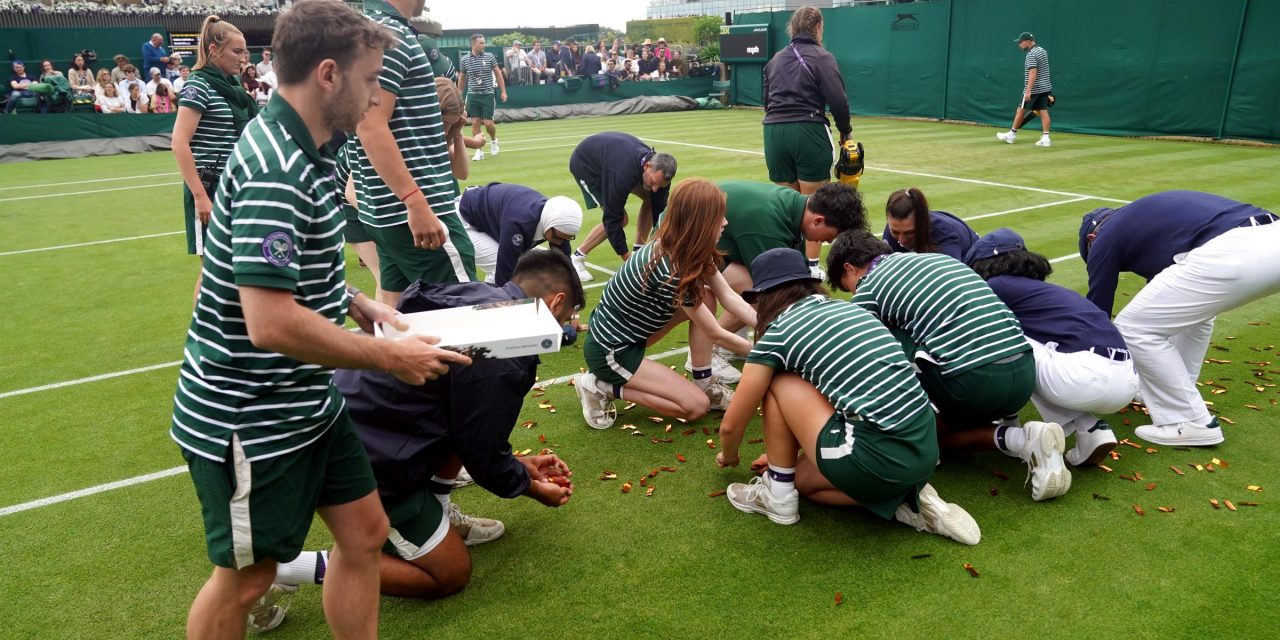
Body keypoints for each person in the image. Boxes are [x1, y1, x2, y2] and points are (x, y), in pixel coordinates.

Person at [173, 2, 470, 638]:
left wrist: (365, 308)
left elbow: (308, 268)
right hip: (251, 412)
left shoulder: (314, 146)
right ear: (330, 75)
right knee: (248, 578)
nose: (373, 101)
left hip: (307, 398)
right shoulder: (277, 166)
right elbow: (270, 324)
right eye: (369, 82)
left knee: (364, 534)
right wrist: (392, 356)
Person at [265, 250, 581, 614]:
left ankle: (439, 513)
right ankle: (286, 567)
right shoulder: (507, 351)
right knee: (451, 574)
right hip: (362, 459)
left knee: (456, 416)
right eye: (570, 315)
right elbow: (482, 452)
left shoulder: (480, 296)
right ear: (556, 303)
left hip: (353, 416)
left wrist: (518, 467)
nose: (568, 326)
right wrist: (528, 487)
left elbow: (467, 428)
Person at [714, 248, 981, 544]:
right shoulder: (849, 308)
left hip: (875, 456)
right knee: (801, 479)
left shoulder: (780, 332)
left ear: (763, 297)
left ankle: (778, 498)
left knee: (778, 382)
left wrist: (730, 455)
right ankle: (904, 501)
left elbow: (731, 424)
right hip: (925, 450)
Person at [827, 231, 1069, 501]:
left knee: (890, 348)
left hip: (975, 383)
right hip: (1024, 372)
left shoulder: (870, 287)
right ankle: (1010, 420)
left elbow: (860, 350)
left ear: (850, 268)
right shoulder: (937, 260)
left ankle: (1021, 440)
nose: (853, 292)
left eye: (848, 285)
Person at [1079, 191, 1280, 447]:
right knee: (1195, 317)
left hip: (1236, 248)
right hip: (1271, 236)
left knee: (1133, 328)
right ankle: (1177, 390)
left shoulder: (1105, 236)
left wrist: (1093, 369)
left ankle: (1190, 421)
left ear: (1091, 238)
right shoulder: (1148, 223)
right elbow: (1166, 299)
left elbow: (1098, 311)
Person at [574, 180, 755, 430]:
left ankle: (705, 383)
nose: (725, 222)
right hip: (612, 351)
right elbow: (714, 332)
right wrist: (760, 352)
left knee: (706, 294)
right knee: (695, 407)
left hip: (631, 335)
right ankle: (598, 385)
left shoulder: (688, 247)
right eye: (718, 217)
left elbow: (729, 297)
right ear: (700, 222)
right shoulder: (671, 269)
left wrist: (771, 324)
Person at [965, 228, 1138, 466]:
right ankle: (1091, 429)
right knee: (1040, 351)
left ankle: (1009, 424)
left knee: (1004, 340)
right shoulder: (1044, 290)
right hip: (1126, 379)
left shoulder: (997, 286)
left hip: (1085, 376)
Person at [354, 0, 478, 310]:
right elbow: (369, 125)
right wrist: (415, 201)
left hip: (385, 215)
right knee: (467, 323)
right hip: (417, 216)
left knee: (405, 324)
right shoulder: (386, 33)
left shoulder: (371, 28)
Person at [714, 181, 865, 346]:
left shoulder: (797, 208)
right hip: (696, 249)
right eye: (831, 236)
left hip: (727, 245)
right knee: (761, 294)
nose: (828, 241)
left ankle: (727, 342)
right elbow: (777, 291)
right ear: (818, 221)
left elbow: (801, 277)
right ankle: (709, 347)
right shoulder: (768, 224)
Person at [763, 7, 853, 277]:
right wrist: (845, 131)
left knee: (786, 204)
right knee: (815, 204)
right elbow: (838, 99)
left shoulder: (775, 59)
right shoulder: (822, 56)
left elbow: (766, 101)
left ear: (792, 27)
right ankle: (811, 269)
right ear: (818, 27)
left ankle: (788, 266)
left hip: (773, 131)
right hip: (808, 128)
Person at [172, 15, 255, 299]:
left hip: (235, 186)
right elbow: (179, 142)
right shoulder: (198, 86)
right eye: (237, 50)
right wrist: (199, 195)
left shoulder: (233, 89)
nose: (244, 57)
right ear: (213, 50)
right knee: (213, 270)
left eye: (244, 51)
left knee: (238, 265)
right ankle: (203, 337)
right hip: (209, 187)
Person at [567, 132, 676, 282]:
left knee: (651, 198)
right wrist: (628, 261)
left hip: (613, 158)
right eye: (653, 182)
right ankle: (576, 258)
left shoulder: (660, 175)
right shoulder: (622, 174)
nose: (655, 188)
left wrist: (663, 244)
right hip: (587, 165)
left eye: (660, 185)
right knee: (621, 219)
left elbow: (660, 211)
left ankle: (639, 250)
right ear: (647, 166)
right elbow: (611, 218)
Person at [457, 182, 583, 286]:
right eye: (556, 238)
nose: (559, 243)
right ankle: (490, 305)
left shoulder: (558, 224)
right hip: (464, 219)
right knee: (502, 268)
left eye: (565, 239)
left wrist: (575, 301)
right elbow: (504, 272)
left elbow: (565, 265)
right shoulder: (519, 223)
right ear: (550, 223)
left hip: (488, 218)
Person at [881, 188, 979, 261]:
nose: (901, 241)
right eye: (895, 232)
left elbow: (950, 279)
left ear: (922, 223)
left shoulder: (945, 236)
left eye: (909, 232)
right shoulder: (893, 229)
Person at [996, 32, 1052, 147]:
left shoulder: (1031, 54)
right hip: (1045, 88)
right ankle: (1046, 138)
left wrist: (1028, 91)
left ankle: (1011, 135)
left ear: (1028, 41)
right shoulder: (1042, 50)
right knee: (1043, 111)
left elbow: (1033, 72)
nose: (1019, 45)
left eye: (1021, 42)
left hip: (1034, 89)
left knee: (1020, 110)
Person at [457, 33, 507, 161]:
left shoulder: (490, 57)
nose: (484, 45)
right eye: (481, 43)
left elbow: (498, 74)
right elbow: (462, 78)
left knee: (488, 123)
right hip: (473, 95)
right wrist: (459, 94)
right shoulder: (465, 60)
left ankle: (494, 140)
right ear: (473, 44)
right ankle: (478, 150)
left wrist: (503, 92)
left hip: (488, 94)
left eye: (484, 43)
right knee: (475, 122)